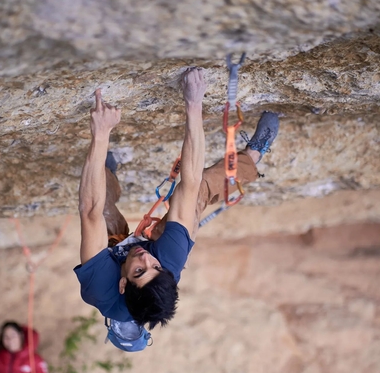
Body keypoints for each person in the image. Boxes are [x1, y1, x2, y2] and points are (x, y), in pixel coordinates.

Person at [74, 67, 279, 331]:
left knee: (101, 210)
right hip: (164, 251)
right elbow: (190, 181)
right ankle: (250, 159)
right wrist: (194, 103)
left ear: (122, 284)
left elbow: (88, 209)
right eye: (153, 267)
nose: (145, 258)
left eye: (139, 271)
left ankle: (105, 175)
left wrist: (100, 134)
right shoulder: (169, 260)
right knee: (197, 193)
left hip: (112, 265)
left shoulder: (100, 288)